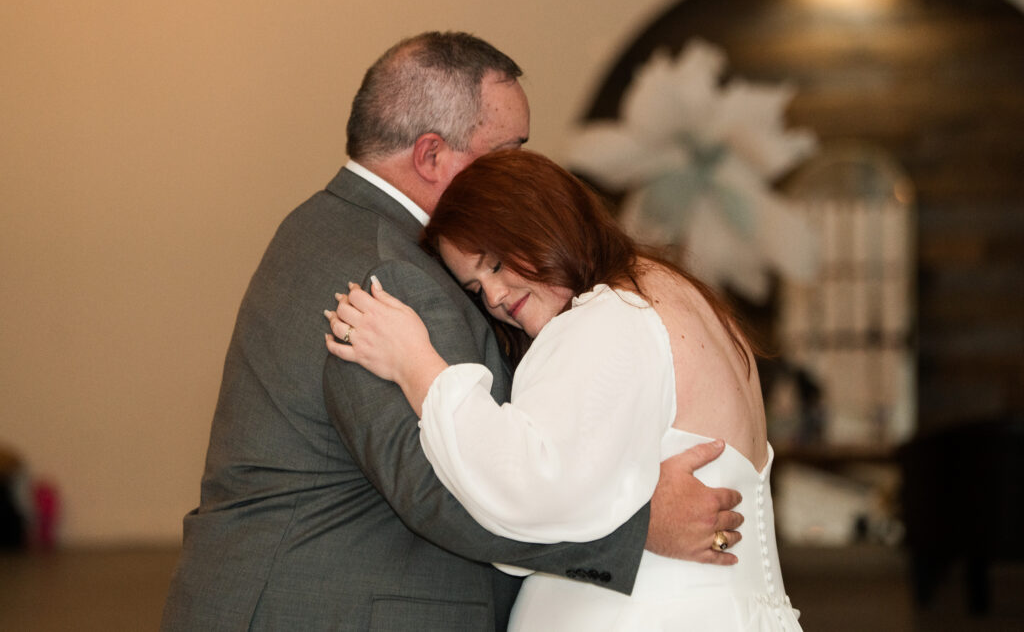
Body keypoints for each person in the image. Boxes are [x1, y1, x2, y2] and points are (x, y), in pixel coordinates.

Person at [161, 32, 743, 631]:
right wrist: (641, 527)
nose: (522, 169)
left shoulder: (339, 226)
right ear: (432, 155)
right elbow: (434, 489)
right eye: (508, 149)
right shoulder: (386, 266)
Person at [325, 149, 803, 630]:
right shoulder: (678, 295)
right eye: (475, 289)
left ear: (540, 223)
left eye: (494, 264)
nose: (492, 297)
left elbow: (528, 482)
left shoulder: (614, 313)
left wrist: (416, 364)